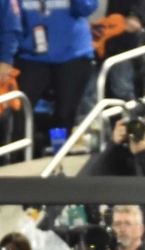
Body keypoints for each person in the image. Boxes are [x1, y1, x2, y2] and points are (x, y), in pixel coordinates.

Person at [15, 0, 98, 154]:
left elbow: (87, 7)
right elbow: (10, 16)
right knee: (19, 112)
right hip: (30, 56)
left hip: (72, 56)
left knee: (63, 114)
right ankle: (18, 158)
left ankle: (57, 153)